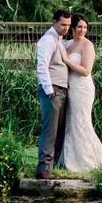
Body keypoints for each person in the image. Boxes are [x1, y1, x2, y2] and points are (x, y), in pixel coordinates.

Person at [55, 14, 102, 172]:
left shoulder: (87, 45)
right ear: (73, 27)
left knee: (81, 122)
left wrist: (67, 60)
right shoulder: (68, 43)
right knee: (70, 122)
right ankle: (68, 158)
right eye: (79, 27)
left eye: (85, 27)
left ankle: (85, 159)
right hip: (69, 88)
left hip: (82, 89)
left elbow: (86, 71)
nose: (82, 30)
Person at [34, 10, 73, 179]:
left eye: (68, 25)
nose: (66, 28)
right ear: (54, 22)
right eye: (63, 24)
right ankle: (44, 169)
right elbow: (42, 67)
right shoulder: (48, 40)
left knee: (59, 130)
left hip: (61, 89)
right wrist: (50, 92)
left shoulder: (59, 39)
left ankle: (53, 165)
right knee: (50, 131)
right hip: (52, 90)